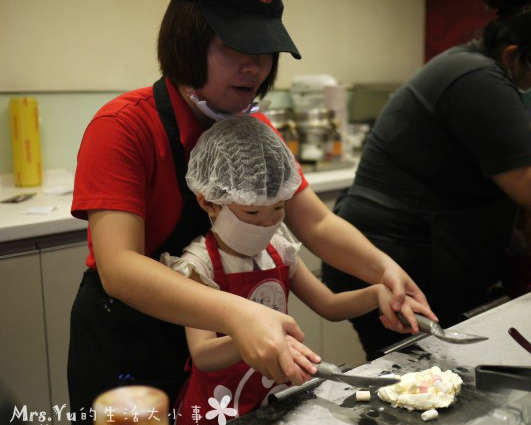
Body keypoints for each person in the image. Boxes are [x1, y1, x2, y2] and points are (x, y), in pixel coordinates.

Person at [68, 0, 434, 420]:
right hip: (133, 343)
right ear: (187, 45)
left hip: (226, 360)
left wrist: (384, 270)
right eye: (235, 49)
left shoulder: (255, 129)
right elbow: (120, 267)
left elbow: (316, 222)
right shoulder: (123, 127)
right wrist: (240, 314)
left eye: (264, 53)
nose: (254, 68)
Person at [161, 117, 433, 424]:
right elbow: (203, 354)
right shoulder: (199, 265)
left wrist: (377, 292)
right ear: (210, 202)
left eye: (278, 208)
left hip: (276, 398)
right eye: (252, 212)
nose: (267, 222)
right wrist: (249, 335)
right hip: (220, 408)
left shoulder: (280, 250)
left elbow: (329, 306)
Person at [322, 0, 531, 360]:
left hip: (422, 253)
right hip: (397, 258)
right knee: (422, 384)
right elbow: (526, 185)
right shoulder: (475, 76)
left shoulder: (475, 69)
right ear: (513, 55)